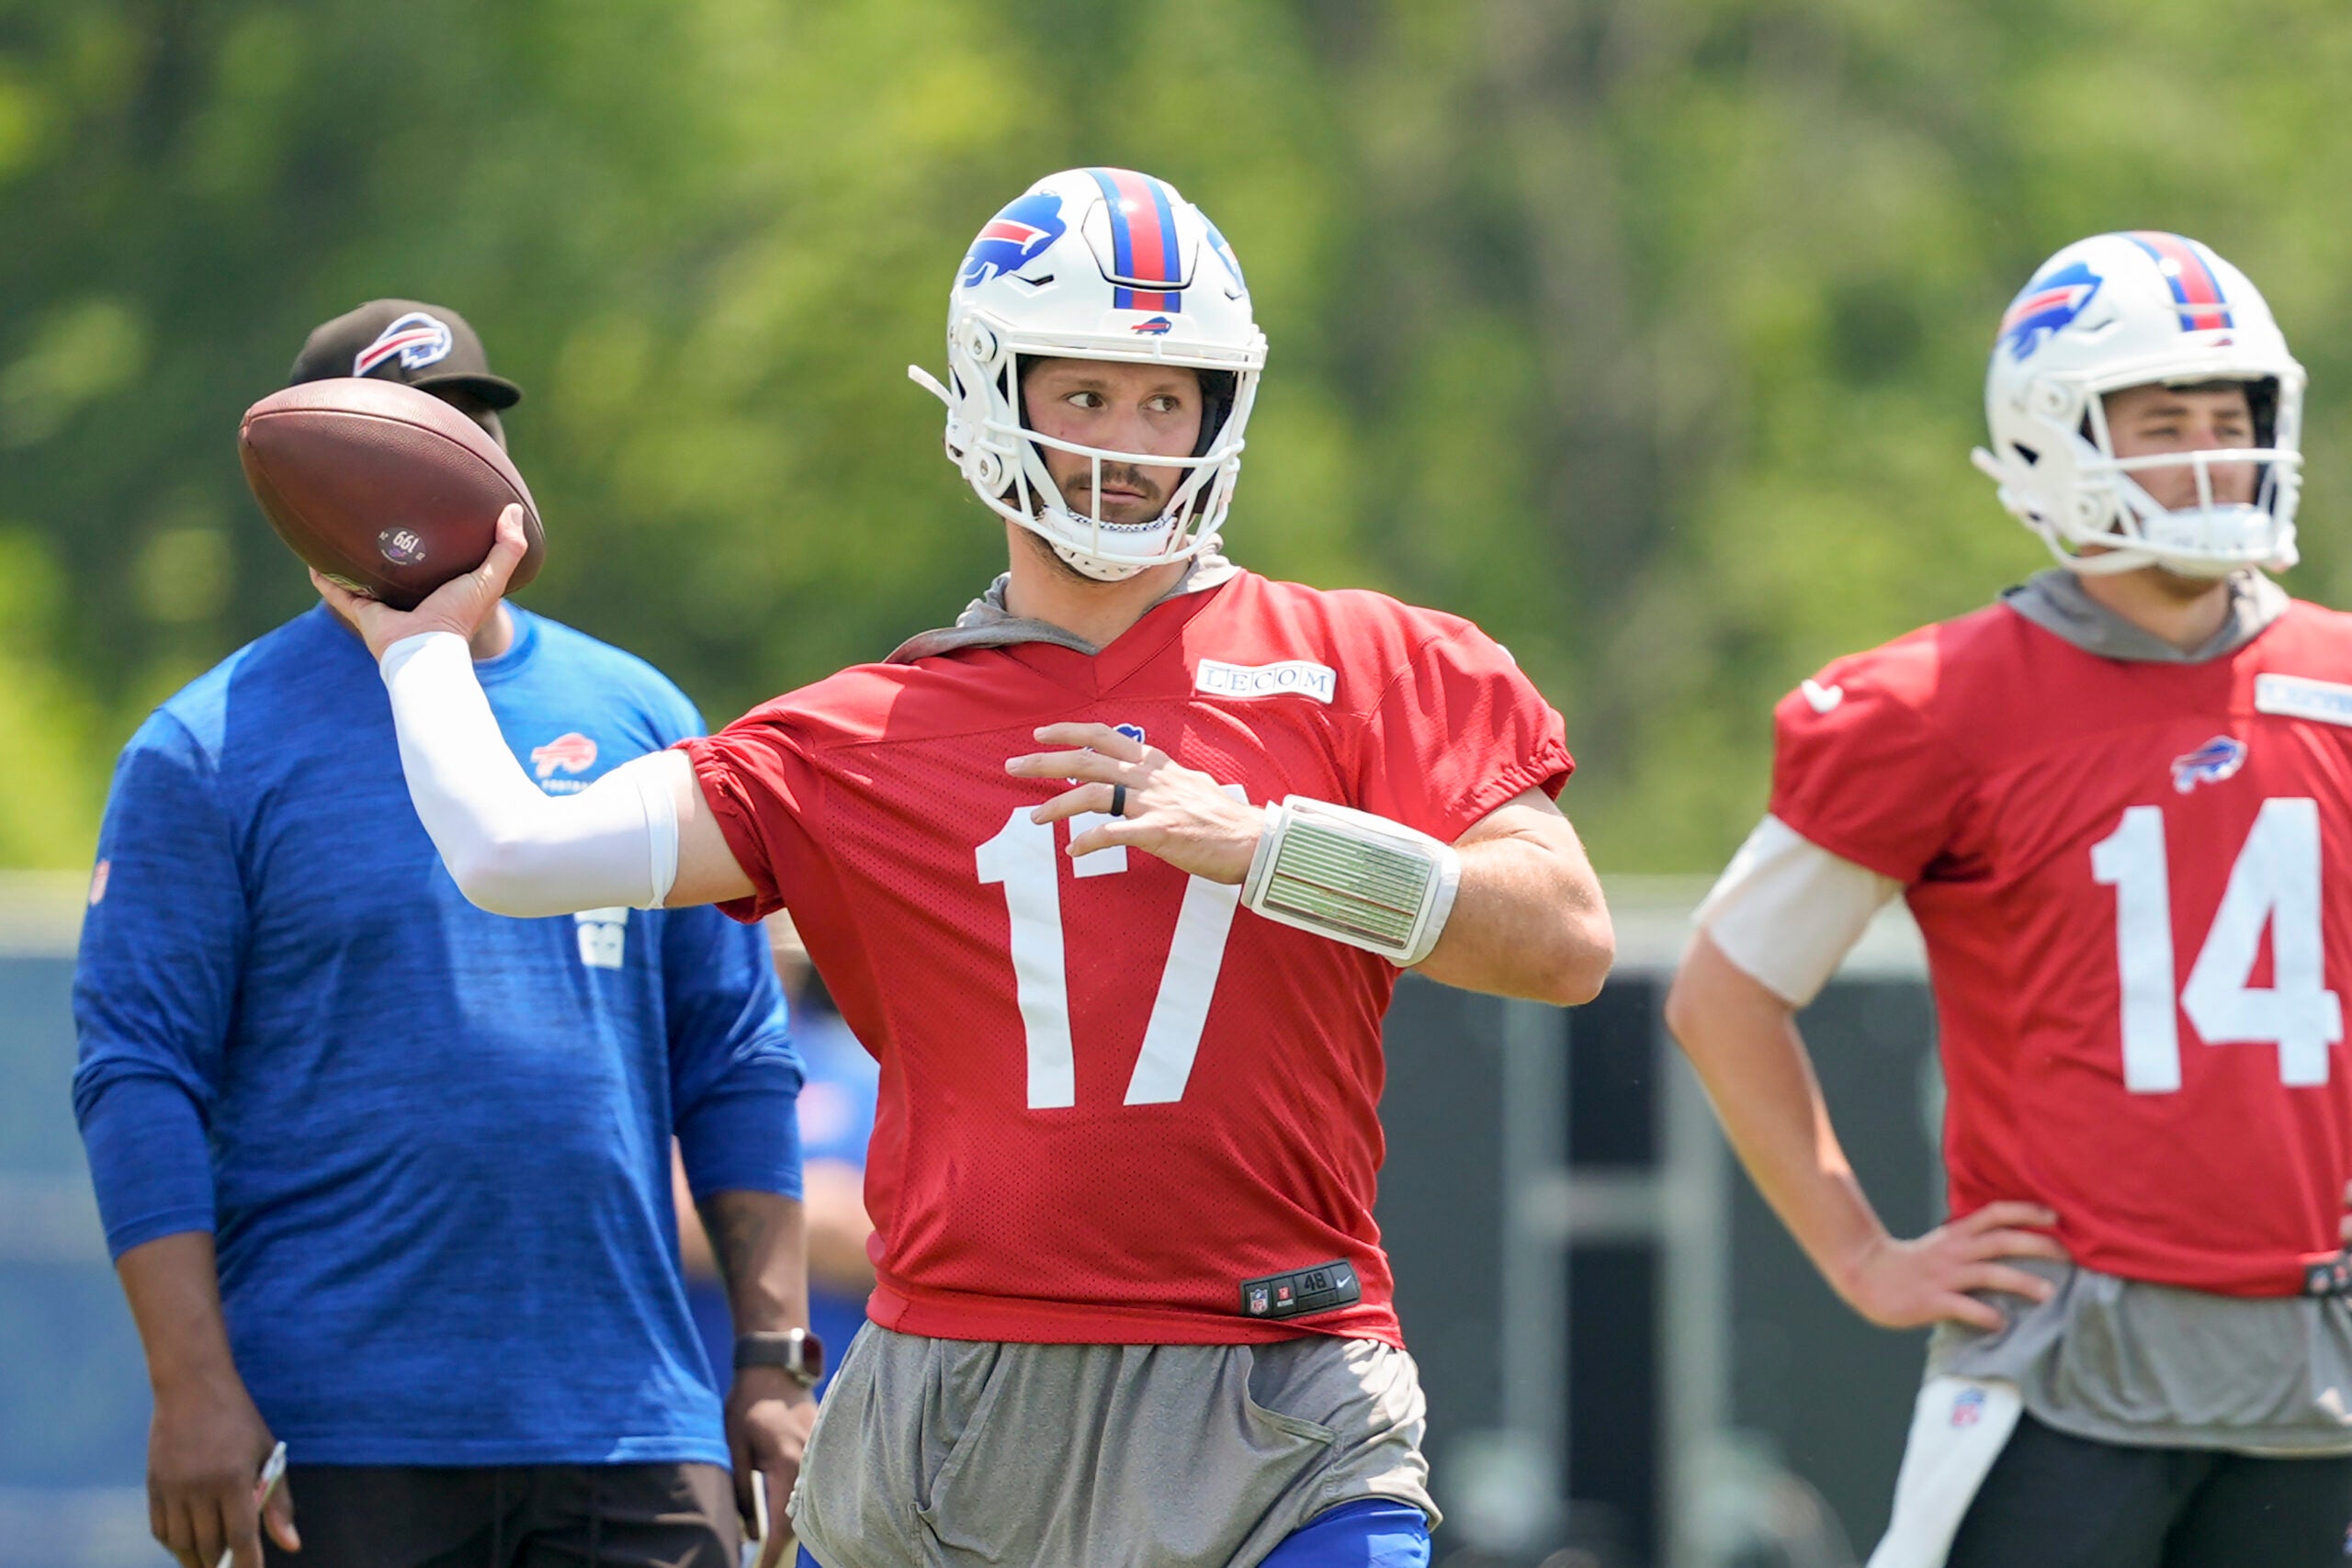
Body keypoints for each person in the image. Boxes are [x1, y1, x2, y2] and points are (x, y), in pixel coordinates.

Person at [313, 169, 1617, 1568]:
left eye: (1168, 399)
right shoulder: (865, 734)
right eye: (1089, 395)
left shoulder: (1369, 662)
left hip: (1279, 1388)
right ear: (996, 395)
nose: (1133, 440)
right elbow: (511, 852)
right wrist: (423, 644)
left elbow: (1563, 937)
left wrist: (1269, 844)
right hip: (954, 1408)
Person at [73, 299, 817, 1568]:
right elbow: (138, 1073)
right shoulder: (207, 747)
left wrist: (770, 1357)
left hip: (631, 1420)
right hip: (342, 1430)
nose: (461, 461)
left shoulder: (637, 710)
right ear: (324, 492)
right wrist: (191, 1384)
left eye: (478, 428)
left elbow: (733, 1051)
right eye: (415, 437)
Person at [1664, 232, 2352, 1567]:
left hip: (2312, 1366)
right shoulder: (1936, 704)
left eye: (2235, 418)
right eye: (2167, 421)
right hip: (2066, 1361)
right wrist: (1867, 1255)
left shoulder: (2339, 679)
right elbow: (1725, 988)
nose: (2217, 455)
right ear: (2056, 436)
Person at [676, 916, 876, 1399]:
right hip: (691, 1410)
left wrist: (727, 1203)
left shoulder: (866, 1068)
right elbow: (646, 1220)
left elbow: (924, 1239)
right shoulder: (667, 1074)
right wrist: (824, 1211)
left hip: (843, 1414)